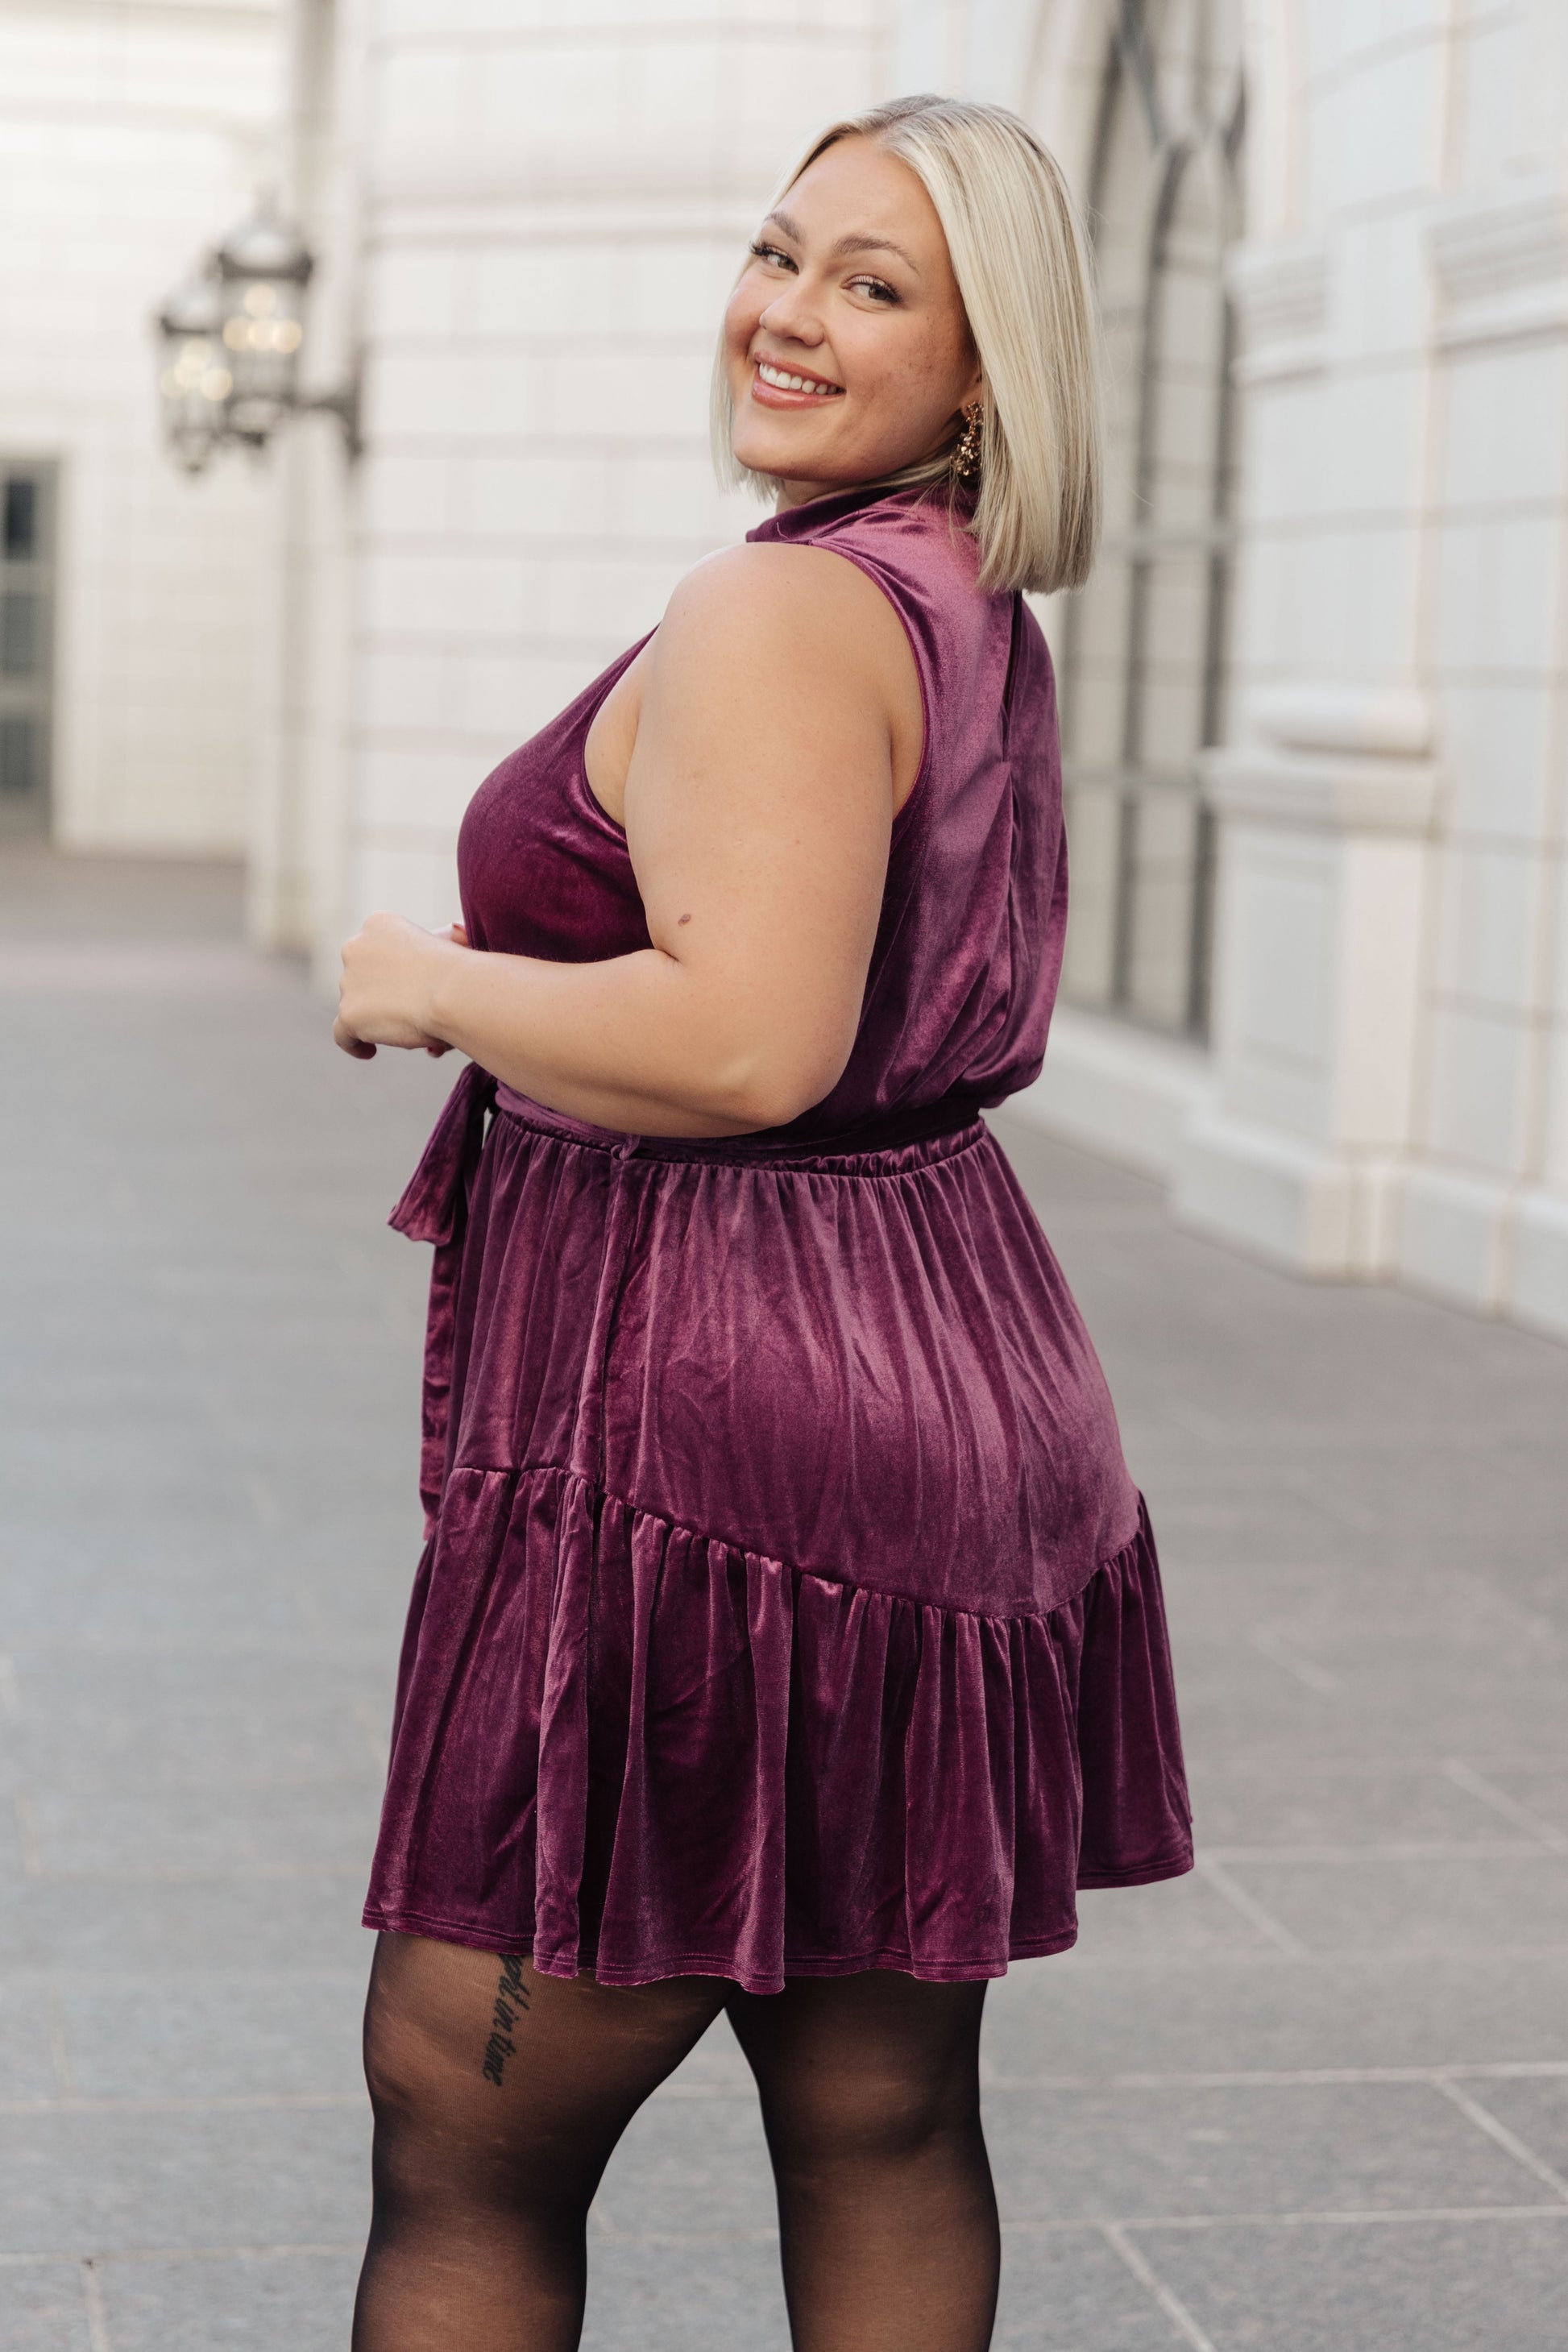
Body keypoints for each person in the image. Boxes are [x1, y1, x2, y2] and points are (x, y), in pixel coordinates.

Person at [334, 93, 1193, 2352]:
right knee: (881, 2105)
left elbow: (742, 1043)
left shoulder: (780, 611)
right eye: (779, 250)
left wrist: (430, 979)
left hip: (710, 1422)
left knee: (464, 2129)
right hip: (941, 1365)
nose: (789, 314)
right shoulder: (949, 595)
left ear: (985, 368)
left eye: (874, 285)